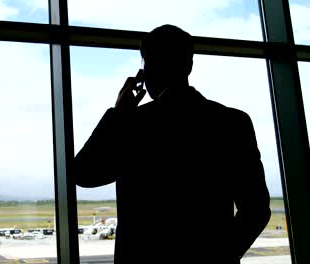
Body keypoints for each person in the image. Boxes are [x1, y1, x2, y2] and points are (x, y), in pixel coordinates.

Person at [71, 24, 271, 264]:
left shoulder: (135, 125)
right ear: (189, 64)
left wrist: (118, 114)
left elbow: (82, 174)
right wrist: (219, 255)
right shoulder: (232, 122)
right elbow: (256, 210)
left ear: (146, 69)